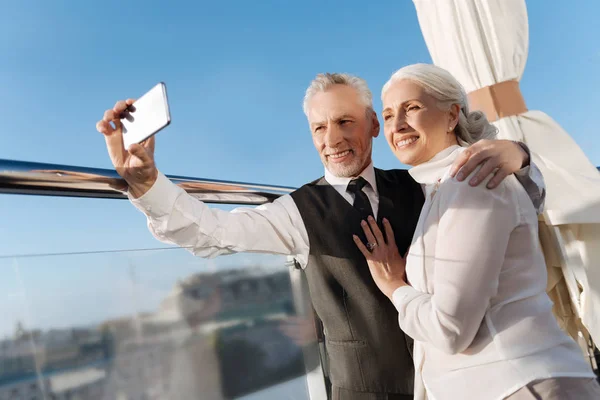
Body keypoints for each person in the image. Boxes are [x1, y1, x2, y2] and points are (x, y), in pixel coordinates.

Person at [96, 73, 544, 400]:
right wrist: (146, 181)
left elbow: (518, 204)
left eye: (346, 122)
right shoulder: (298, 210)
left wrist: (518, 155)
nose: (333, 139)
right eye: (319, 127)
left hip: (456, 383)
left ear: (373, 124)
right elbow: (210, 234)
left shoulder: (423, 182)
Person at [354, 64, 600, 400]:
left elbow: (450, 330)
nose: (397, 125)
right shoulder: (441, 187)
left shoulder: (472, 179)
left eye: (411, 108)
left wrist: (394, 286)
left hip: (520, 386)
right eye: (388, 114)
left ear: (452, 115)